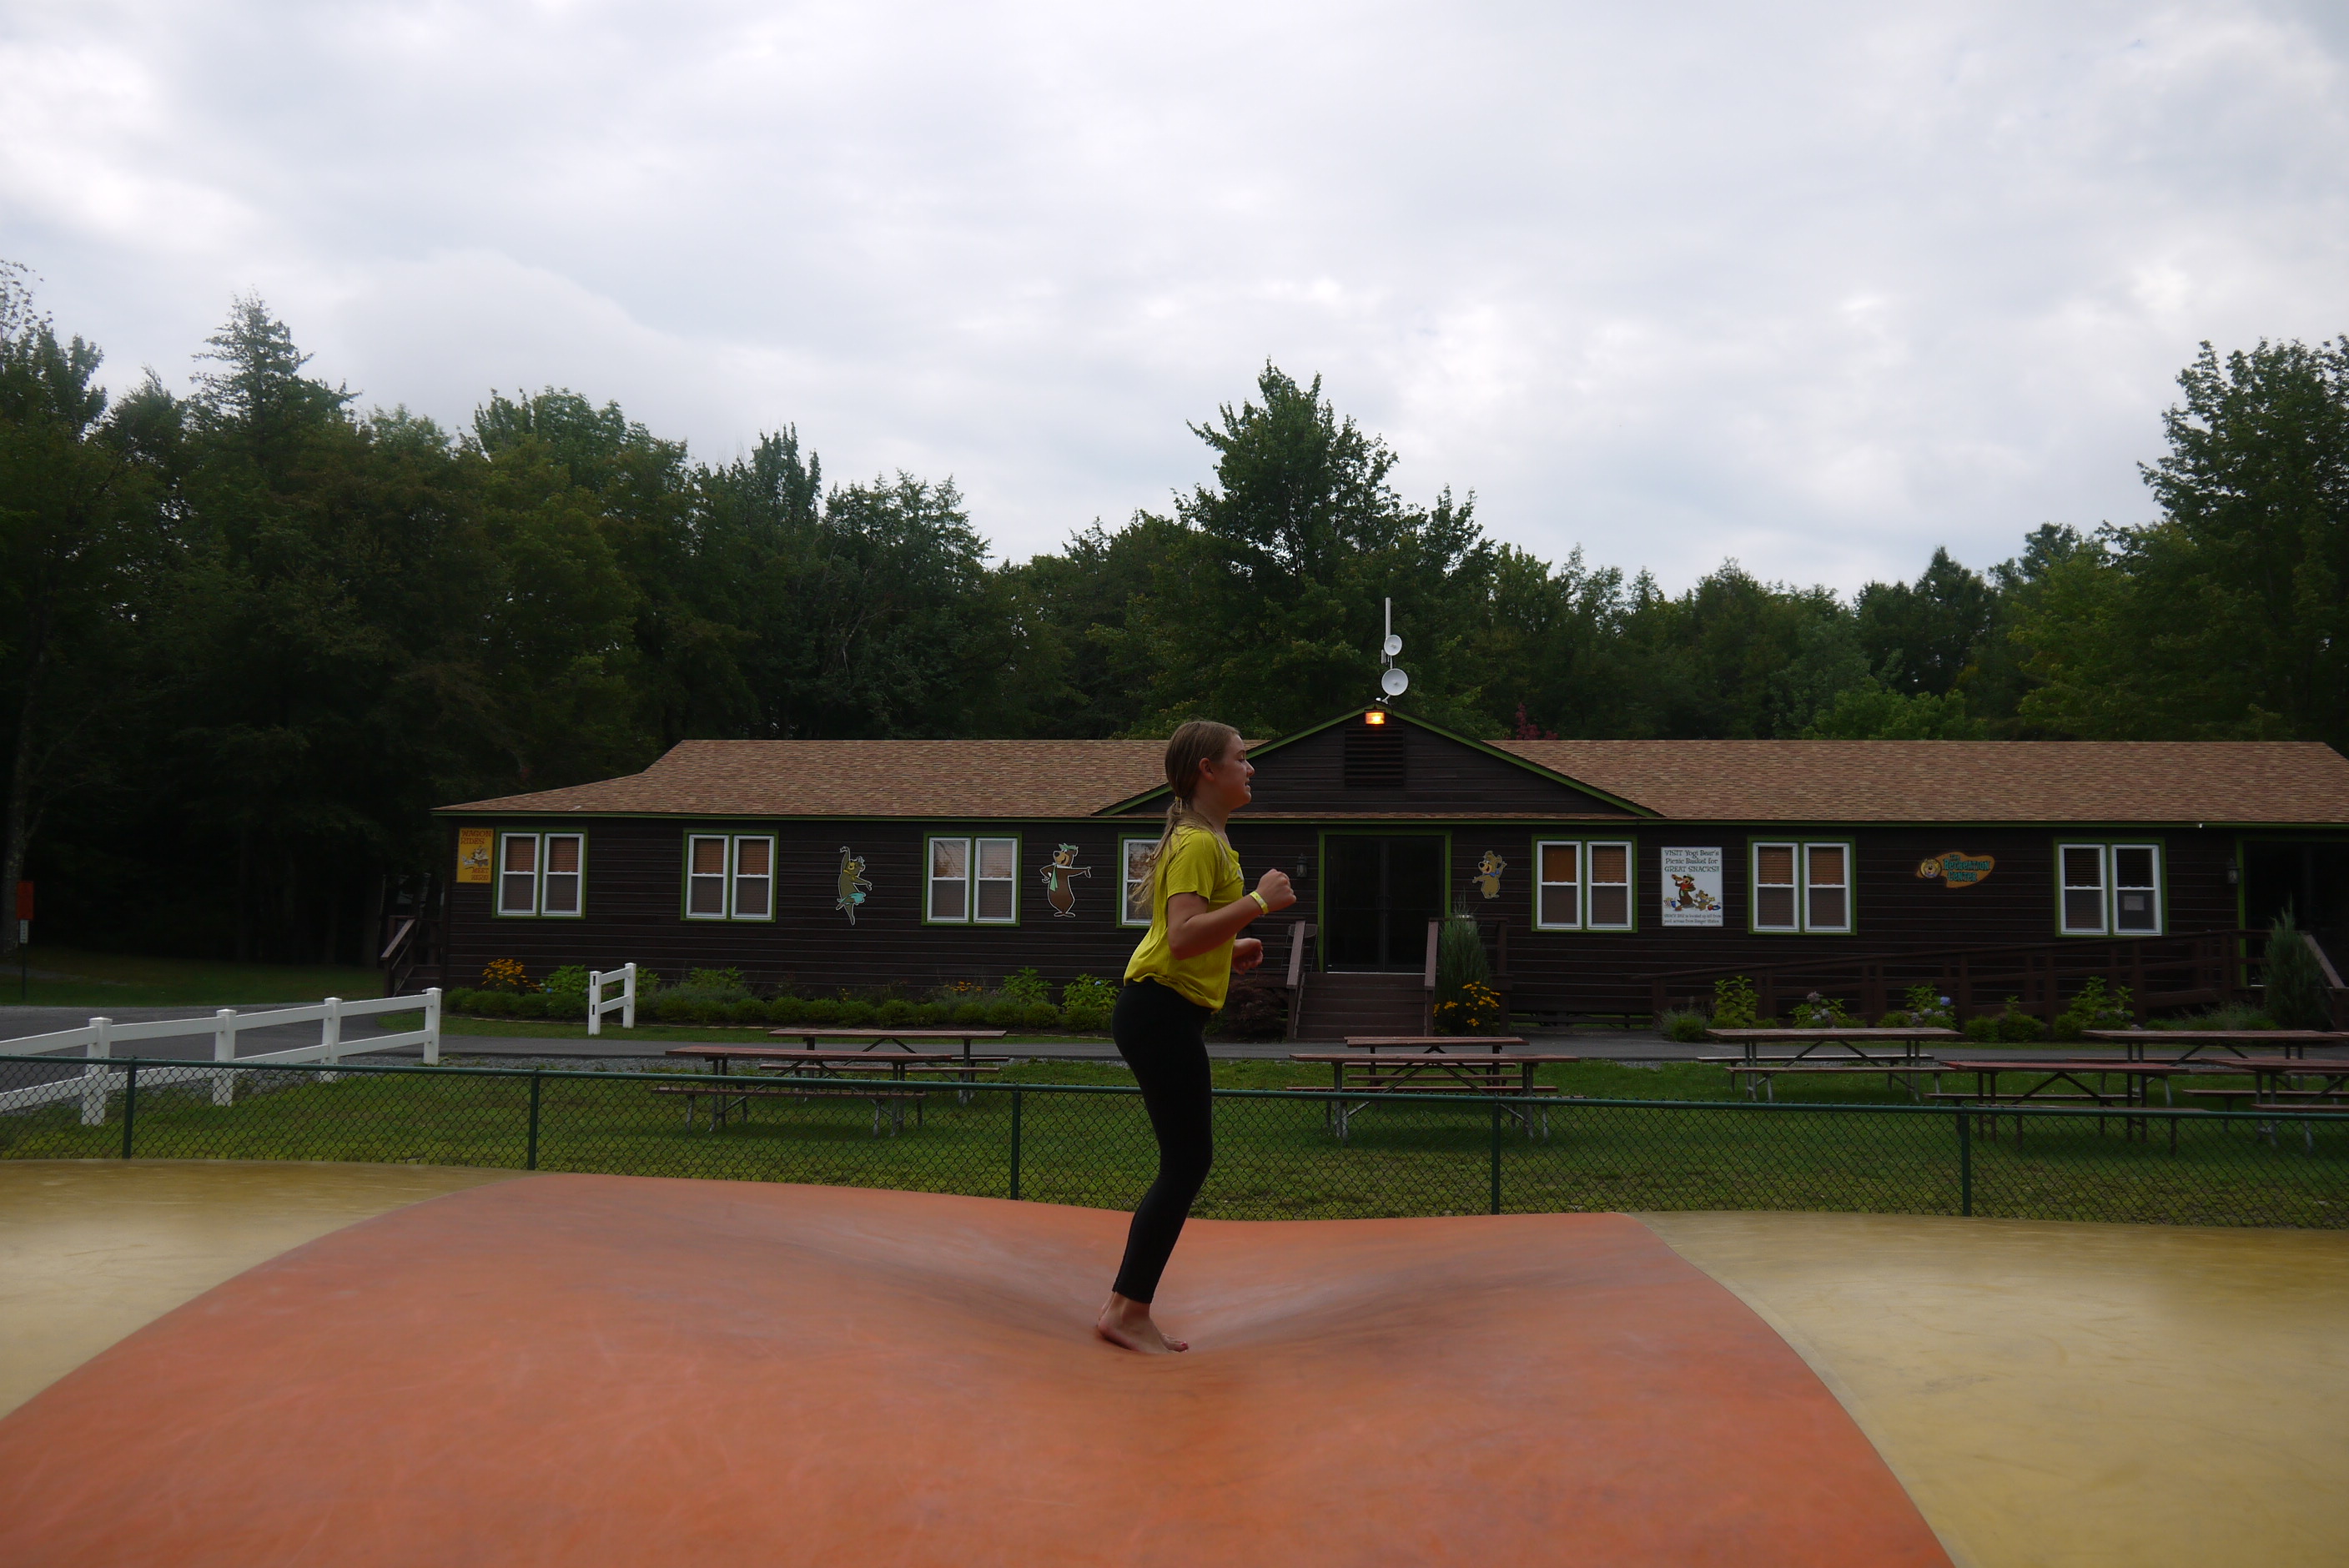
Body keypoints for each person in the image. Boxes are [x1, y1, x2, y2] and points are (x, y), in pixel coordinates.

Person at [1096, 720, 1295, 1354]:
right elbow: (1181, 936)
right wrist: (1259, 903)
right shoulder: (1198, 843)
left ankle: (1124, 1306)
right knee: (1187, 1162)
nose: (1251, 768)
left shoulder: (1208, 839)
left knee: (1186, 1160)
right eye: (1241, 758)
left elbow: (1181, 937)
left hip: (1163, 1009)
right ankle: (1127, 1312)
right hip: (1158, 1012)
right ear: (1207, 770)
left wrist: (1230, 948)